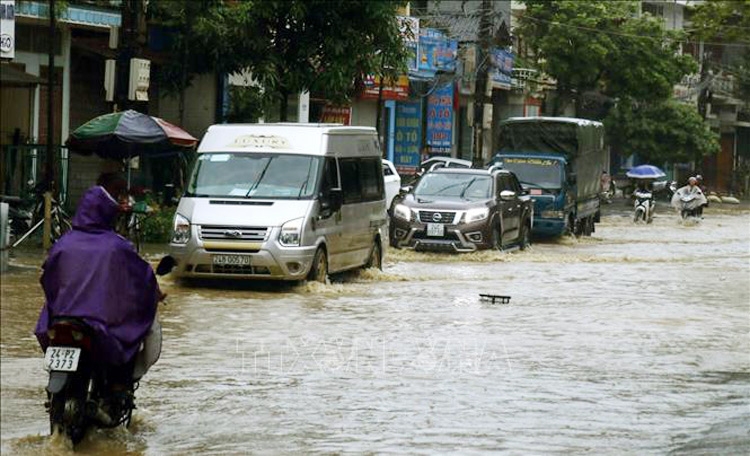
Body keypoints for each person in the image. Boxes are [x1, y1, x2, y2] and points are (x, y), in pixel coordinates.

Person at [34, 173, 163, 417]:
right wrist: (155, 294)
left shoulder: (63, 243)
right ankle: (119, 385)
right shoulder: (117, 246)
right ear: (108, 212)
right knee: (132, 332)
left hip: (60, 320)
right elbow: (141, 278)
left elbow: (47, 279)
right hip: (98, 324)